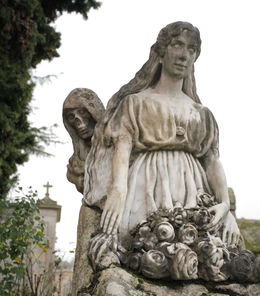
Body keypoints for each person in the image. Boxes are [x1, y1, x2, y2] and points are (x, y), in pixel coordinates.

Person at [84, 21, 240, 246]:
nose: (184, 55)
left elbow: (213, 160)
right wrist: (118, 189)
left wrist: (225, 204)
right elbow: (123, 146)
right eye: (177, 45)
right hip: (146, 188)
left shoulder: (202, 113)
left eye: (191, 49)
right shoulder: (135, 103)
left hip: (194, 191)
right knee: (140, 246)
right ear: (161, 51)